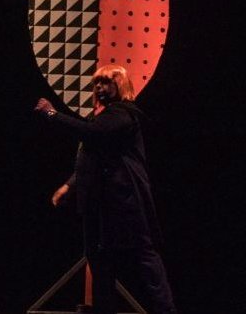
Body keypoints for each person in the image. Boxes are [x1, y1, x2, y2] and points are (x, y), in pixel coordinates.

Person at [36, 65, 177, 314]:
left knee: (143, 257)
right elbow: (91, 157)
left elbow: (93, 135)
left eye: (105, 83)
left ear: (119, 85)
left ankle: (165, 310)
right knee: (100, 259)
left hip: (125, 202)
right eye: (96, 84)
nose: (99, 88)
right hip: (100, 204)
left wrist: (52, 115)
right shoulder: (101, 117)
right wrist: (69, 186)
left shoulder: (124, 114)